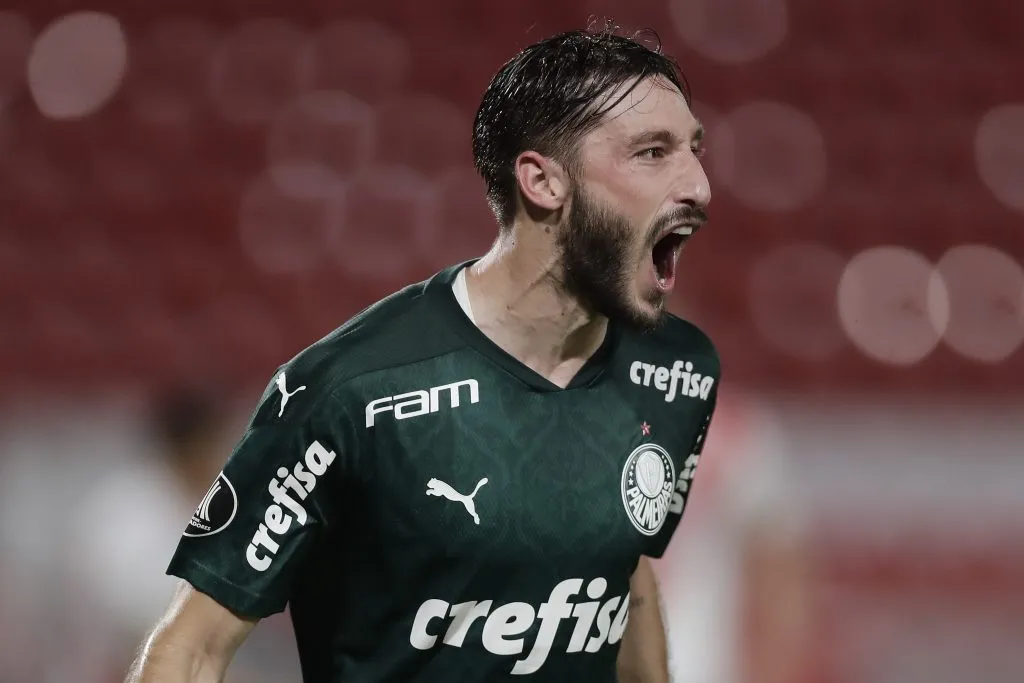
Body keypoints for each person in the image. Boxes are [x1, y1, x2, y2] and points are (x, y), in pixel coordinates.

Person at [126, 22, 719, 683]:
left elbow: (624, 571)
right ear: (544, 182)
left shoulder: (677, 373)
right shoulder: (349, 392)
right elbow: (190, 650)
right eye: (651, 153)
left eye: (693, 149)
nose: (698, 185)